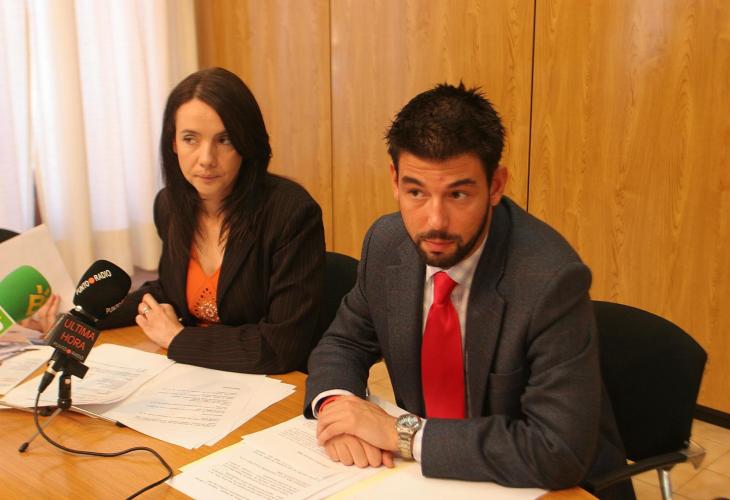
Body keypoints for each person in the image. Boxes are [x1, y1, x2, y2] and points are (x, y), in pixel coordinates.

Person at [304, 83, 633, 499]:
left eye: (458, 194)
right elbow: (344, 342)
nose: (435, 221)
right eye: (416, 192)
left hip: (548, 487)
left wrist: (402, 433)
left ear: (496, 185)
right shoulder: (387, 243)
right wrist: (337, 408)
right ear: (395, 180)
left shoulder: (550, 279)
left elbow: (557, 449)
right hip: (430, 479)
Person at [101, 67, 325, 374]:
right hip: (199, 376)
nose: (206, 158)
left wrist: (178, 339)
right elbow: (169, 291)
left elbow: (280, 346)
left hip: (271, 383)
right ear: (173, 143)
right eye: (190, 139)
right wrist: (80, 317)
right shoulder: (170, 205)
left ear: (246, 144)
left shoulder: (290, 213)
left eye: (225, 140)